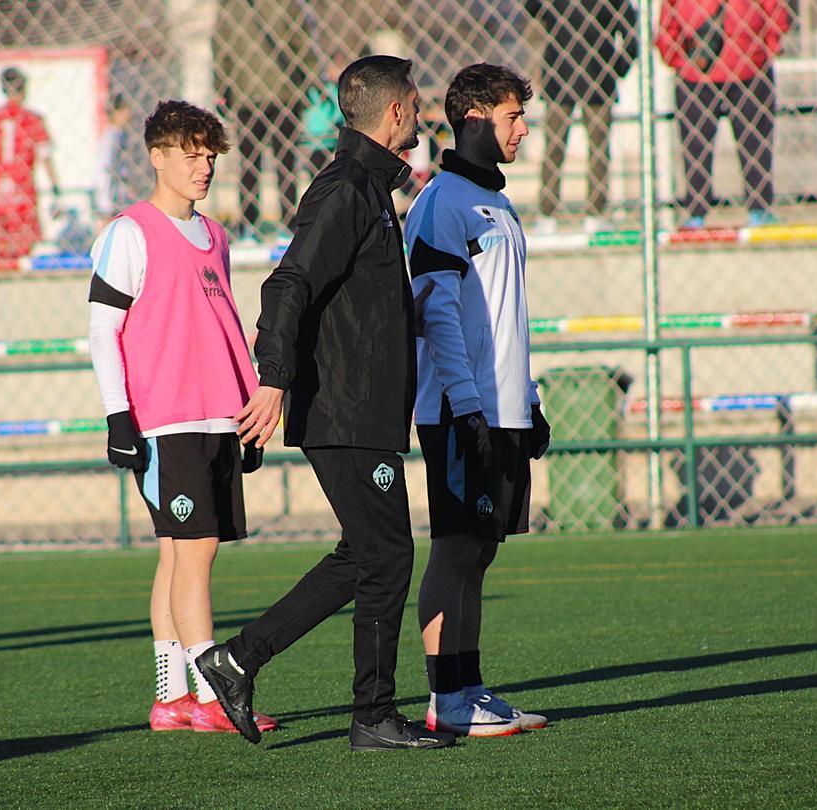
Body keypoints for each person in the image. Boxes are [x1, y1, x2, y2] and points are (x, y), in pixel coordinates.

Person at [196, 55, 457, 752]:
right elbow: (287, 285)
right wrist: (273, 378)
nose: (422, 111)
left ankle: (237, 659)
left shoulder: (369, 188)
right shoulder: (345, 188)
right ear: (397, 112)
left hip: (360, 405)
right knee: (388, 555)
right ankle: (371, 715)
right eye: (416, 100)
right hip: (346, 407)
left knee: (367, 553)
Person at [87, 100, 277, 735]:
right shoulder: (129, 233)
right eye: (191, 154)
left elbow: (222, 327)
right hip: (166, 423)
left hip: (217, 417)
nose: (204, 167)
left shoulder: (216, 236)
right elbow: (102, 329)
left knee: (180, 555)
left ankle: (172, 699)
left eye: (211, 155)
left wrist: (244, 406)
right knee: (193, 554)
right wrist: (119, 418)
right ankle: (215, 691)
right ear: (157, 157)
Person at [405, 63, 552, 738]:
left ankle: (470, 687)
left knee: (482, 551)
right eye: (512, 115)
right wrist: (467, 409)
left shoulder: (496, 200)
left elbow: (503, 315)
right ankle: (445, 701)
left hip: (503, 408)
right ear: (474, 119)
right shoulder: (444, 201)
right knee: (456, 548)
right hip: (461, 411)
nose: (523, 127)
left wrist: (529, 399)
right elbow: (435, 312)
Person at [656, 0, 789, 228]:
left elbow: (668, 24)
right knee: (754, 142)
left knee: (696, 145)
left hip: (704, 68)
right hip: (747, 64)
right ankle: (758, 208)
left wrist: (677, 58)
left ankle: (697, 212)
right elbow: (777, 14)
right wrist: (770, 45)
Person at [526, 0, 638, 233]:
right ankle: (549, 213)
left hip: (594, 78)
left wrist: (616, 69)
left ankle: (593, 214)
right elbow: (533, 7)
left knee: (594, 149)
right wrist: (615, 69)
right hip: (563, 76)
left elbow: (631, 36)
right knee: (556, 147)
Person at [211, 0, 319, 240]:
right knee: (286, 161)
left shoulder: (230, 8)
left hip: (245, 92)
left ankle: (249, 226)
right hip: (285, 93)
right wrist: (313, 81)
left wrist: (223, 89)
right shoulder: (287, 4)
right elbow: (302, 44)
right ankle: (289, 225)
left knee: (249, 163)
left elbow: (220, 51)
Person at [0, 67, 62, 258]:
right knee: (23, 248)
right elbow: (46, 157)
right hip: (23, 192)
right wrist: (56, 189)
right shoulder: (33, 119)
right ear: (25, 89)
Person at [93, 94, 137, 227]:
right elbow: (107, 166)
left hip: (117, 194)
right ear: (117, 113)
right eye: (126, 110)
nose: (129, 114)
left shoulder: (119, 134)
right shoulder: (112, 135)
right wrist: (107, 201)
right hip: (111, 195)